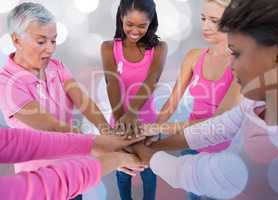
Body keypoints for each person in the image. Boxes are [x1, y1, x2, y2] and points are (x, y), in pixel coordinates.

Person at [132, 0, 278, 199]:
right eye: (203, 18)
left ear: (277, 56)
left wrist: (141, 150)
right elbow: (217, 127)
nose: (232, 64)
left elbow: (195, 174)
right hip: (193, 148)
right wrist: (151, 139)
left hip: (216, 156)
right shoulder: (255, 104)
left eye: (237, 54)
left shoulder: (269, 144)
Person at [0, 3, 145, 200]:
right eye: (41, 42)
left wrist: (108, 133)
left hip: (73, 179)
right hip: (41, 186)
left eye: (53, 41)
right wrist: (108, 148)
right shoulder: (7, 83)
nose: (50, 49)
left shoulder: (57, 67)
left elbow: (83, 101)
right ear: (17, 40)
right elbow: (53, 127)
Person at [101, 0, 167, 199]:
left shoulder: (159, 48)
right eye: (130, 24)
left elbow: (152, 78)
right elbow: (112, 83)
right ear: (121, 17)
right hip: (120, 121)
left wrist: (132, 115)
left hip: (147, 125)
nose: (135, 31)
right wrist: (123, 122)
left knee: (149, 174)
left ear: (151, 22)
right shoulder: (108, 47)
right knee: (123, 175)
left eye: (142, 25)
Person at [0, 128, 146, 200]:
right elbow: (43, 189)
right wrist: (117, 159)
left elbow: (19, 142)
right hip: (63, 181)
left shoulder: (57, 69)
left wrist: (96, 143)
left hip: (71, 180)